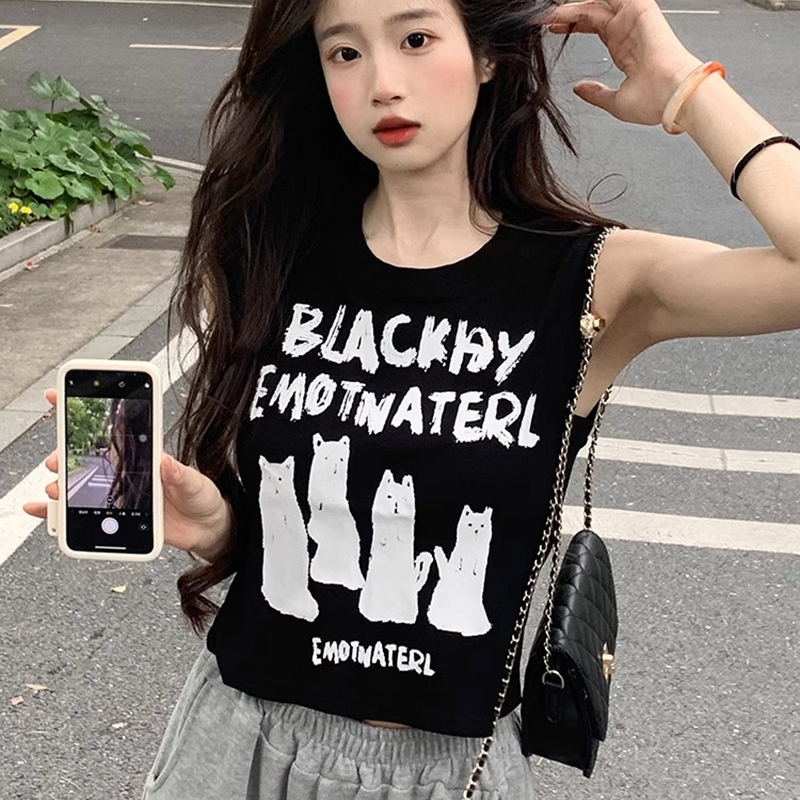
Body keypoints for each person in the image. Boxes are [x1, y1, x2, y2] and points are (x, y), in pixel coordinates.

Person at [23, 0, 800, 797]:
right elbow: (309, 530)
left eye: (417, 38)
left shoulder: (592, 279)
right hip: (238, 743)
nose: (383, 83)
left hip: (446, 771)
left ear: (489, 56)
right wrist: (221, 525)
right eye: (345, 53)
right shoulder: (278, 251)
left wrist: (681, 84)